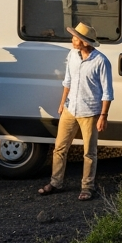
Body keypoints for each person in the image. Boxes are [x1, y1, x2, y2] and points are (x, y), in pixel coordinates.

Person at [39, 21, 112, 201]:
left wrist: (103, 116)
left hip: (90, 112)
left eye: (75, 38)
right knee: (59, 148)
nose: (72, 40)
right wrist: (62, 103)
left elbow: (107, 92)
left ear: (85, 42)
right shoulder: (72, 55)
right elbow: (68, 81)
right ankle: (56, 182)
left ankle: (87, 187)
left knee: (89, 152)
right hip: (70, 108)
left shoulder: (101, 61)